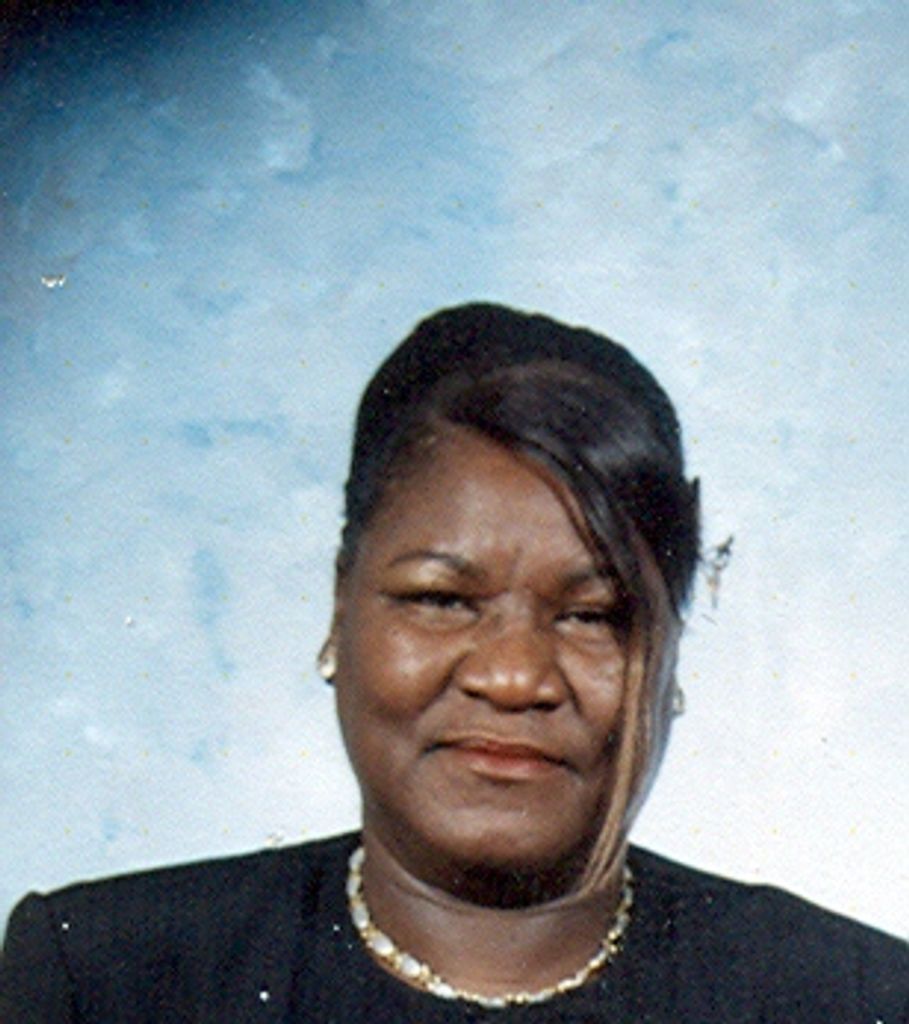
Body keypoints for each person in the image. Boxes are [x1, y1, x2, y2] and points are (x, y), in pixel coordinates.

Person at [1, 303, 905, 1022]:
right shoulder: (103, 979)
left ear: (666, 656)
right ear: (340, 608)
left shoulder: (850, 997)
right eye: (440, 600)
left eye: (593, 616)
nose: (513, 678)